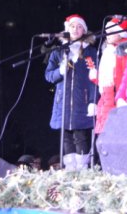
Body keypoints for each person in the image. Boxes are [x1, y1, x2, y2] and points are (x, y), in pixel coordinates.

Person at [44, 14, 98, 170]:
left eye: (79, 27)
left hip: (82, 101)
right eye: (73, 26)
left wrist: (93, 100)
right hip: (63, 102)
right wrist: (60, 71)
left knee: (80, 136)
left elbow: (94, 78)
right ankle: (70, 169)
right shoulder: (59, 52)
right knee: (66, 137)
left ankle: (82, 169)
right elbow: (49, 75)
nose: (76, 29)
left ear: (84, 31)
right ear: (67, 29)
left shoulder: (90, 52)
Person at [90, 18, 127, 134]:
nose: (108, 34)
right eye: (107, 31)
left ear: (120, 33)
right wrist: (95, 78)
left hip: (116, 94)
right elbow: (106, 79)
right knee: (103, 130)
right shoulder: (107, 51)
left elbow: (123, 75)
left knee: (112, 129)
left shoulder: (123, 50)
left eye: (112, 31)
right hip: (105, 95)